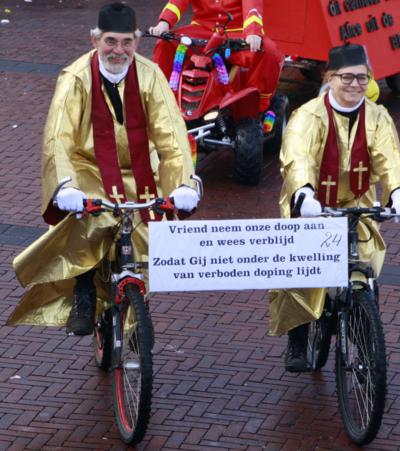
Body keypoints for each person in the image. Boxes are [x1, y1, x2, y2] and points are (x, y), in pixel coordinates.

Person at [8, 3, 200, 336]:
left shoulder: (151, 75)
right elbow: (58, 136)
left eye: (126, 42)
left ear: (136, 42)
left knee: (148, 231)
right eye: (110, 41)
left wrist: (182, 184)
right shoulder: (75, 77)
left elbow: (171, 135)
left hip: (140, 169)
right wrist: (65, 186)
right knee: (91, 218)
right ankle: (83, 289)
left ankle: (135, 318)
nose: (118, 50)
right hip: (89, 167)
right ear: (95, 40)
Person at [269, 43, 400, 373]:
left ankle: (365, 341)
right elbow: (298, 156)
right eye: (346, 77)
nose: (355, 85)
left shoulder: (377, 116)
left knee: (364, 269)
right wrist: (304, 193)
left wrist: (399, 193)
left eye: (362, 78)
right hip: (312, 202)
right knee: (300, 271)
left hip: (355, 201)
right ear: (330, 78)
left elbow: (389, 157)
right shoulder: (309, 115)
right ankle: (298, 338)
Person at [149, 0, 284, 114]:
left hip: (237, 34)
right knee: (164, 43)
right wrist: (165, 22)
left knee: (269, 51)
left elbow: (252, 5)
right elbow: (178, 2)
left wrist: (253, 32)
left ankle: (256, 106)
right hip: (202, 30)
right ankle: (163, 100)